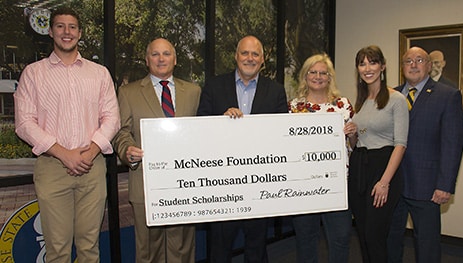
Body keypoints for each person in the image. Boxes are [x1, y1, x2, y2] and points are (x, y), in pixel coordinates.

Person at [14, 7, 120, 262]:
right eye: (60, 26)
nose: (66, 32)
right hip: (52, 169)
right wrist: (65, 155)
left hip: (91, 167)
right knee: (57, 250)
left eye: (72, 27)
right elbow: (25, 123)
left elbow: (112, 118)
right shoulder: (33, 73)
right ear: (50, 31)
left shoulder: (99, 73)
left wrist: (90, 152)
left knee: (89, 248)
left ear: (80, 33)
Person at [197, 35, 288, 263]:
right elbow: (200, 127)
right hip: (223, 184)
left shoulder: (276, 91)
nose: (250, 58)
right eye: (245, 53)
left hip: (260, 183)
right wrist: (221, 121)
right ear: (236, 57)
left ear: (263, 59)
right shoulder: (214, 86)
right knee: (220, 248)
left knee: (257, 248)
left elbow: (281, 135)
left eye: (255, 54)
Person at [113, 38, 201, 262]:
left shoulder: (193, 91)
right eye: (155, 54)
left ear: (175, 59)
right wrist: (127, 151)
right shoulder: (128, 93)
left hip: (184, 183)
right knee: (148, 250)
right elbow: (121, 132)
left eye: (166, 54)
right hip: (145, 182)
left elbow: (202, 132)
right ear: (146, 60)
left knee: (182, 247)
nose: (161, 59)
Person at [387, 46, 463, 263]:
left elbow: (453, 143)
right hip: (392, 184)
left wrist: (445, 184)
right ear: (402, 67)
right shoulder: (390, 95)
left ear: (429, 66)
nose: (413, 65)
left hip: (428, 186)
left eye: (419, 60)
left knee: (427, 245)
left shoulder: (447, 95)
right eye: (408, 61)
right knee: (390, 241)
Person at [288, 53, 355, 263]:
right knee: (306, 239)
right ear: (305, 76)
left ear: (330, 77)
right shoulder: (293, 107)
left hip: (337, 183)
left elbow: (353, 146)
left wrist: (352, 134)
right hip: (304, 185)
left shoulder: (342, 105)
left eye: (323, 73)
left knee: (341, 237)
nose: (318, 76)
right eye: (313, 72)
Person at [348, 45, 409, 263]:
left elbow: (400, 144)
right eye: (362, 63)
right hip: (359, 169)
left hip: (382, 169)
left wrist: (384, 182)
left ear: (382, 66)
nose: (367, 68)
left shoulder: (397, 99)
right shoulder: (361, 102)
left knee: (375, 236)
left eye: (372, 62)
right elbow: (358, 143)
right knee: (363, 234)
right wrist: (352, 134)